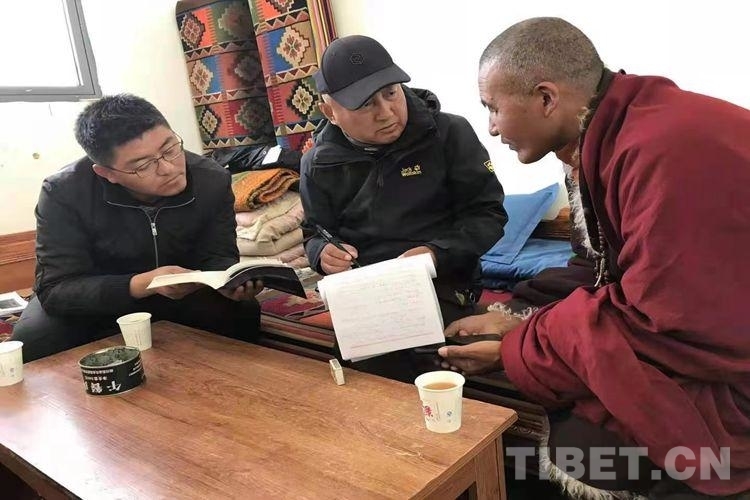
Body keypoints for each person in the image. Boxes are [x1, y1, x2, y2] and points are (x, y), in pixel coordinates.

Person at [439, 17, 750, 498]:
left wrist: (520, 348)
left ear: (546, 98)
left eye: (493, 108)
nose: (492, 128)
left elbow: (665, 319)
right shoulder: (601, 137)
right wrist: (515, 314)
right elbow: (600, 266)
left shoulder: (662, 149)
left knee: (593, 442)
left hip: (728, 360)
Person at [299, 35, 507, 382]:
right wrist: (322, 253)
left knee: (436, 371)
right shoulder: (317, 164)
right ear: (330, 113)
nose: (386, 112)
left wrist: (434, 254)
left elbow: (488, 215)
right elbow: (315, 232)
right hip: (365, 295)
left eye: (391, 93)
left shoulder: (449, 134)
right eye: (366, 104)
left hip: (444, 281)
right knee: (358, 384)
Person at [11, 94, 262, 361]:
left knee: (243, 313)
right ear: (107, 173)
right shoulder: (64, 192)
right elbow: (56, 290)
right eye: (143, 165)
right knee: (34, 341)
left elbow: (219, 255)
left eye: (170, 148)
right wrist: (143, 284)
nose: (168, 168)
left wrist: (228, 282)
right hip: (101, 299)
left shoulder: (210, 179)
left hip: (180, 293)